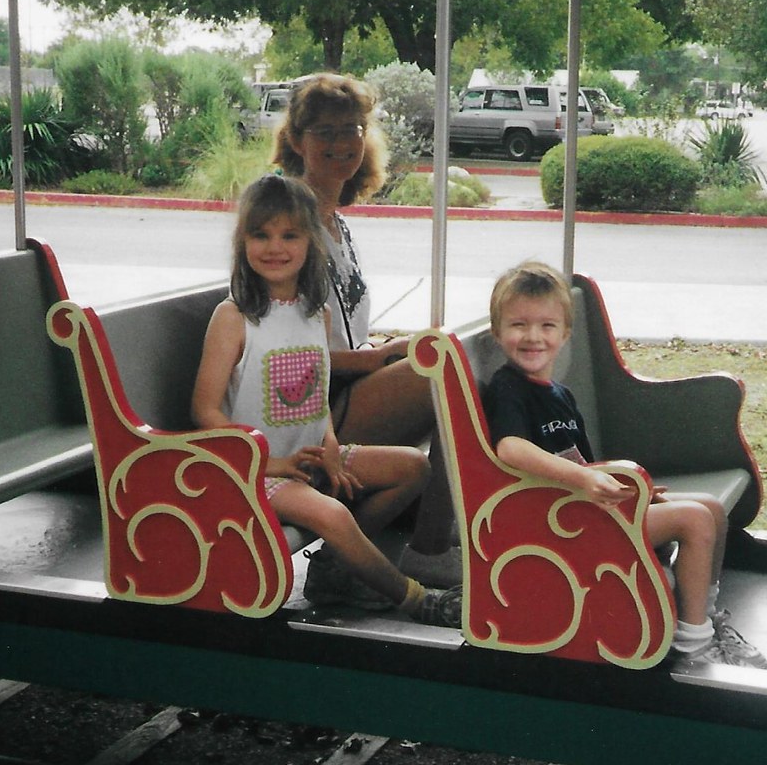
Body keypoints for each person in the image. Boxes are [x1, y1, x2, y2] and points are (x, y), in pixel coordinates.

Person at [191, 174, 461, 626]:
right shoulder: (234, 316)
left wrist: (332, 445)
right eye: (261, 234)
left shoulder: (316, 312)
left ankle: (335, 569)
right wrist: (269, 463)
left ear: (309, 243)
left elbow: (315, 396)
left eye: (289, 235)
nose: (274, 247)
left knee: (413, 468)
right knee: (333, 513)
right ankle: (413, 599)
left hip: (312, 457)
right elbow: (204, 411)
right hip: (256, 473)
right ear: (243, 242)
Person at [481, 260, 765, 668]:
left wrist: (634, 487)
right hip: (558, 522)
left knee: (711, 509)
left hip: (581, 506)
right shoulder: (510, 389)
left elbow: (583, 461)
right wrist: (583, 477)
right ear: (498, 332)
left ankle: (704, 615)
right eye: (518, 325)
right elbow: (511, 449)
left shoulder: (559, 394)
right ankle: (694, 644)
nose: (533, 337)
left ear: (565, 334)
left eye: (547, 326)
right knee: (695, 521)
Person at [273, 73, 460, 588]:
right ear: (296, 140)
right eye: (325, 132)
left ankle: (338, 562)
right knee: (439, 374)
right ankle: (429, 545)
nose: (341, 143)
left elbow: (333, 327)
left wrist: (377, 349)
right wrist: (378, 359)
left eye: (352, 129)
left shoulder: (334, 220)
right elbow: (286, 350)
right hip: (308, 409)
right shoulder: (289, 223)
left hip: (344, 386)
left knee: (451, 356)